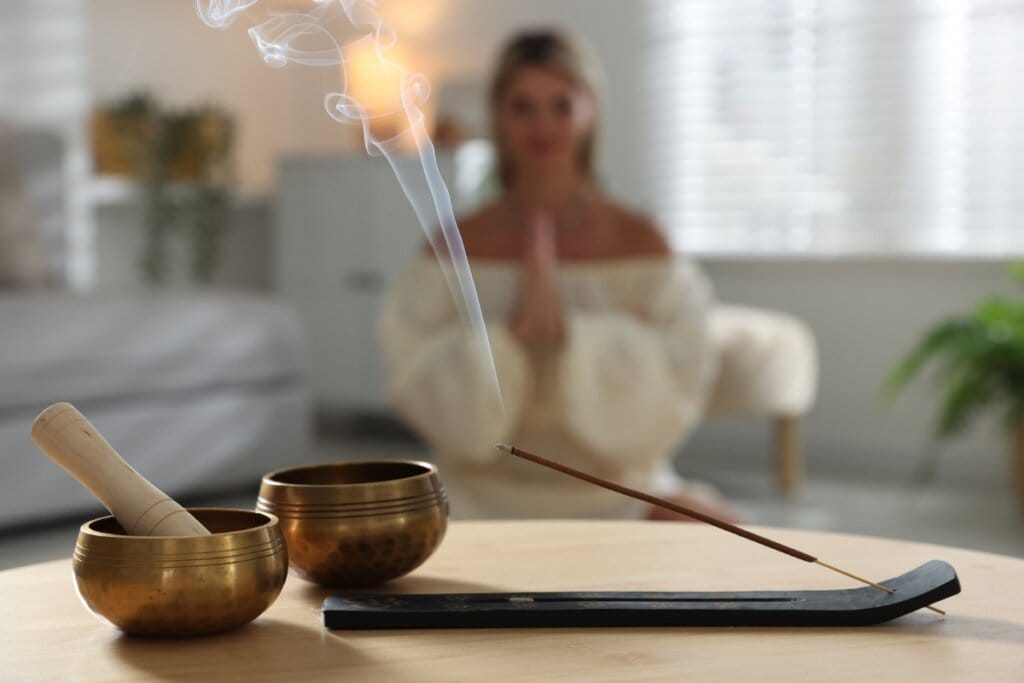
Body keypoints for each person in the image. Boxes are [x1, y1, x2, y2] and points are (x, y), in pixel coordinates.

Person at [379, 30, 738, 522]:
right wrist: (509, 340)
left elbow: (685, 369)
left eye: (561, 106)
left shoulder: (642, 242)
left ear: (590, 111)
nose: (542, 125)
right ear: (499, 116)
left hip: (615, 489)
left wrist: (577, 338)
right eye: (523, 107)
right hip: (478, 490)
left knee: (725, 533)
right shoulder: (453, 246)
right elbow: (408, 368)